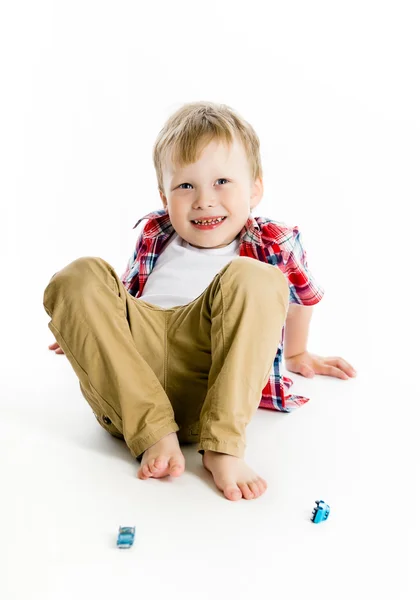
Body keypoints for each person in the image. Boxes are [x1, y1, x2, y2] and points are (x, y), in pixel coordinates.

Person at [43, 101, 356, 501]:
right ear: (164, 195)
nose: (204, 199)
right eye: (185, 186)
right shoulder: (155, 233)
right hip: (134, 375)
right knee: (78, 275)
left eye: (223, 182)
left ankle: (222, 446)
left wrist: (296, 352)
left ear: (255, 188)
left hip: (209, 367)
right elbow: (123, 292)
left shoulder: (271, 243)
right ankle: (154, 432)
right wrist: (84, 323)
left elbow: (301, 297)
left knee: (258, 278)